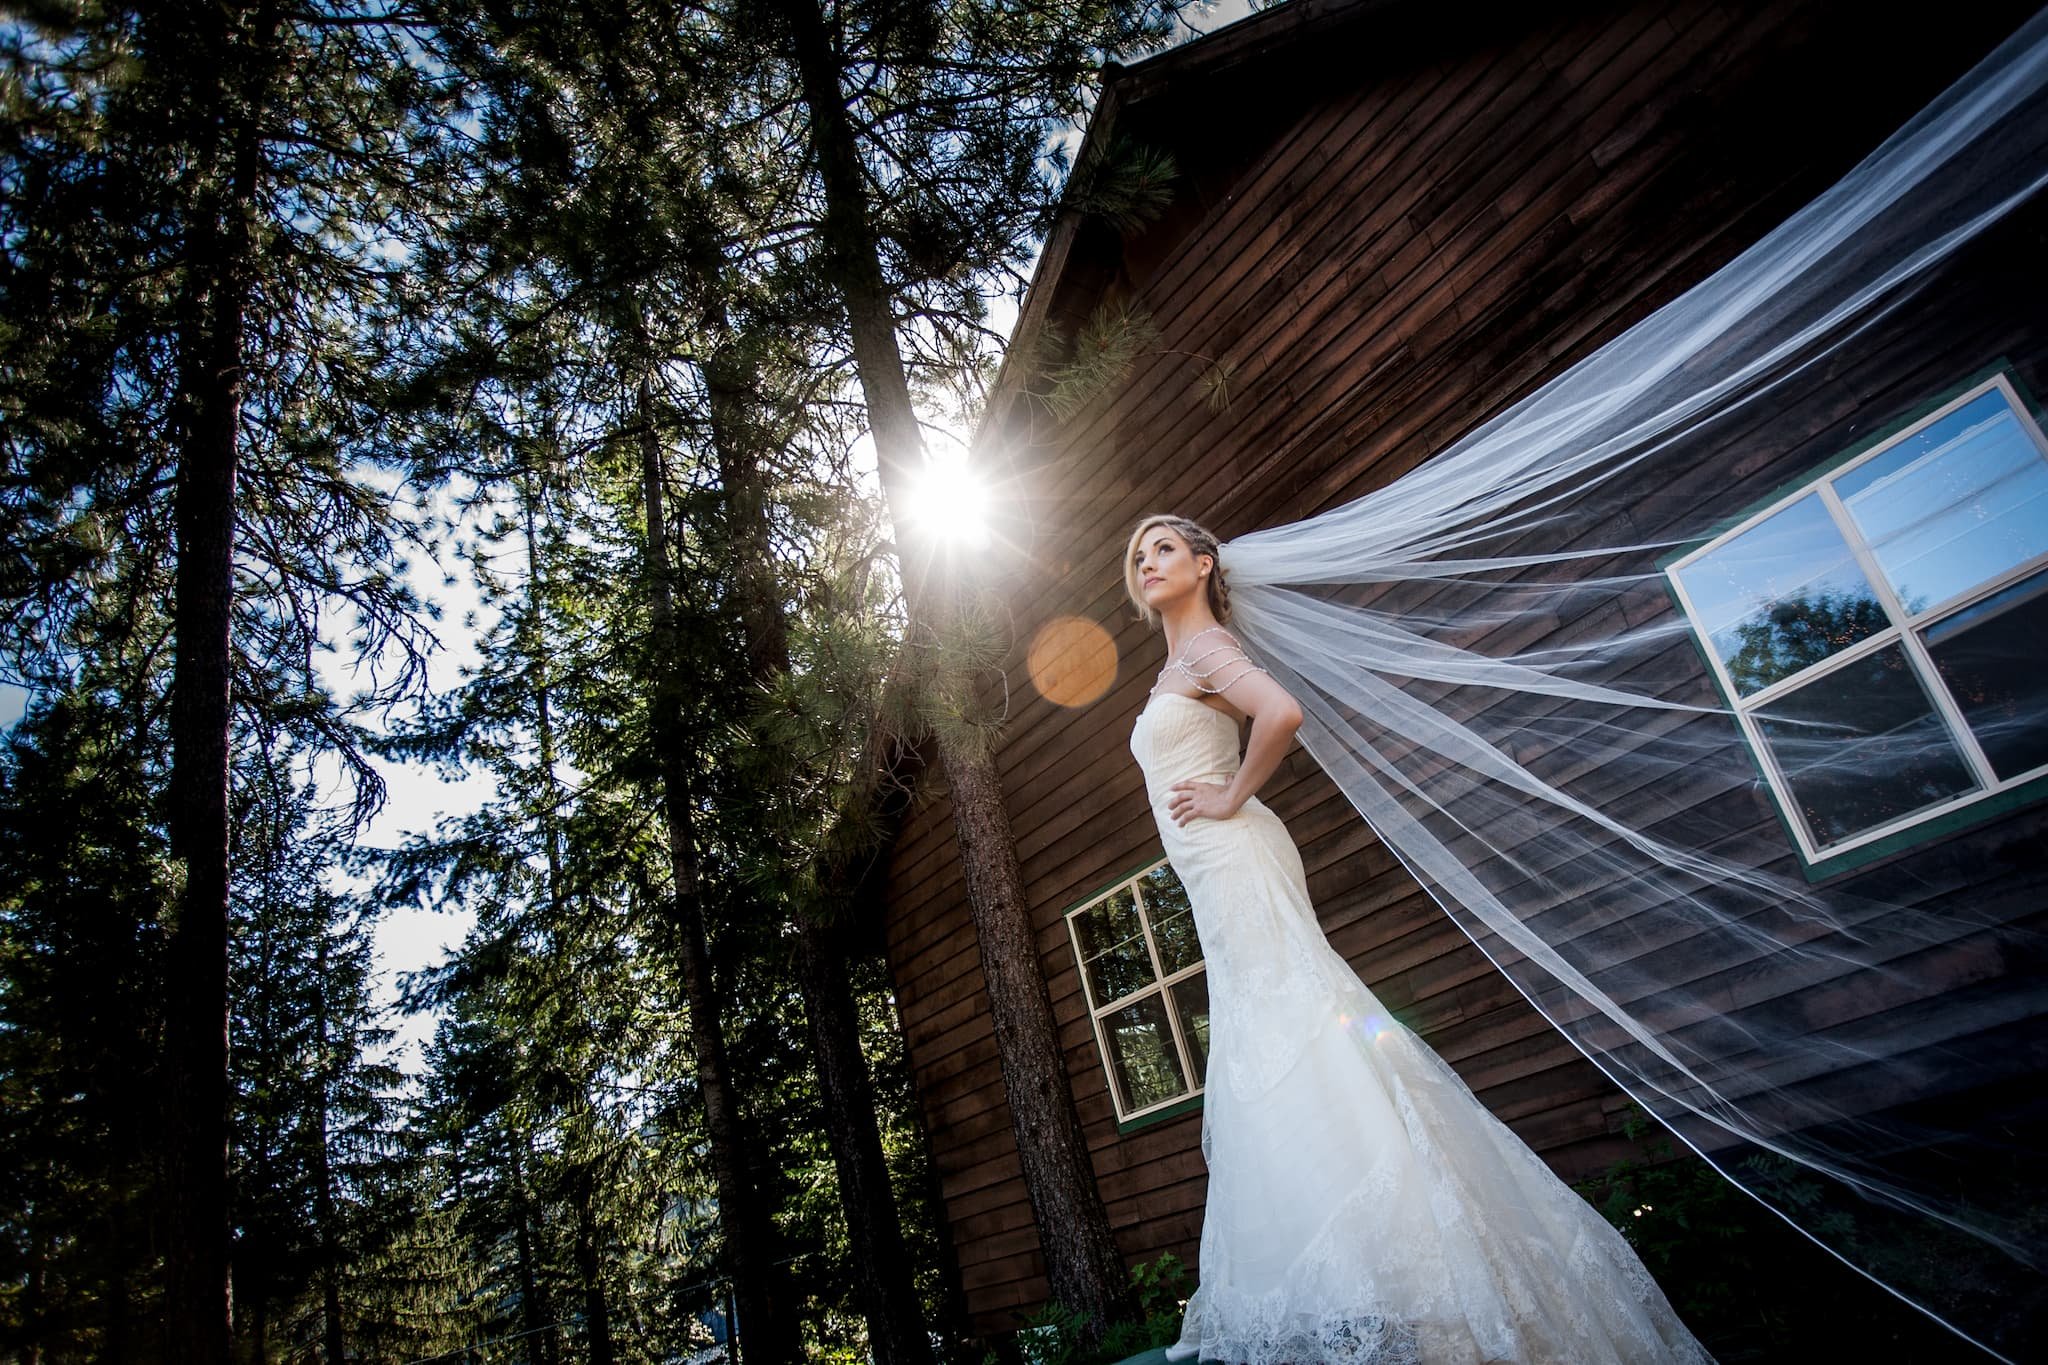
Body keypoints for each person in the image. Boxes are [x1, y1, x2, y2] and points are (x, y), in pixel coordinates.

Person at [1124, 513, 1715, 1365]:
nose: (1146, 563)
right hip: (1214, 880)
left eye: (1164, 549)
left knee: (1290, 1022)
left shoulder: (1208, 648)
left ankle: (1399, 1264)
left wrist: (1232, 796)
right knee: (1266, 1033)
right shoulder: (1179, 662)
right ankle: (1295, 1278)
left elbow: (1280, 712)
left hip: (1238, 858)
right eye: (1138, 556)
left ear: (1204, 563)